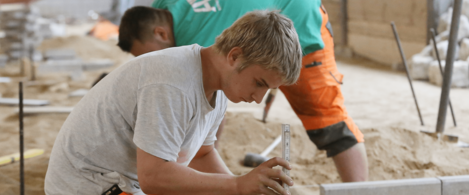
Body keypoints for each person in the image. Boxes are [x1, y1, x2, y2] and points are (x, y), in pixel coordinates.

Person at [0, 10, 301, 195]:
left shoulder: (217, 88)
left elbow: (202, 154)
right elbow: (154, 177)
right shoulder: (173, 83)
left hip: (130, 185)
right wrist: (236, 184)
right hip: (89, 192)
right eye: (259, 83)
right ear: (235, 56)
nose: (259, 98)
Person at [117, 1, 370, 182]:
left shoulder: (192, 33)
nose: (152, 64)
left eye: (147, 55)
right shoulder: (167, 9)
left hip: (301, 18)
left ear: (160, 33)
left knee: (323, 114)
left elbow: (208, 105)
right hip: (266, 33)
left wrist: (210, 178)